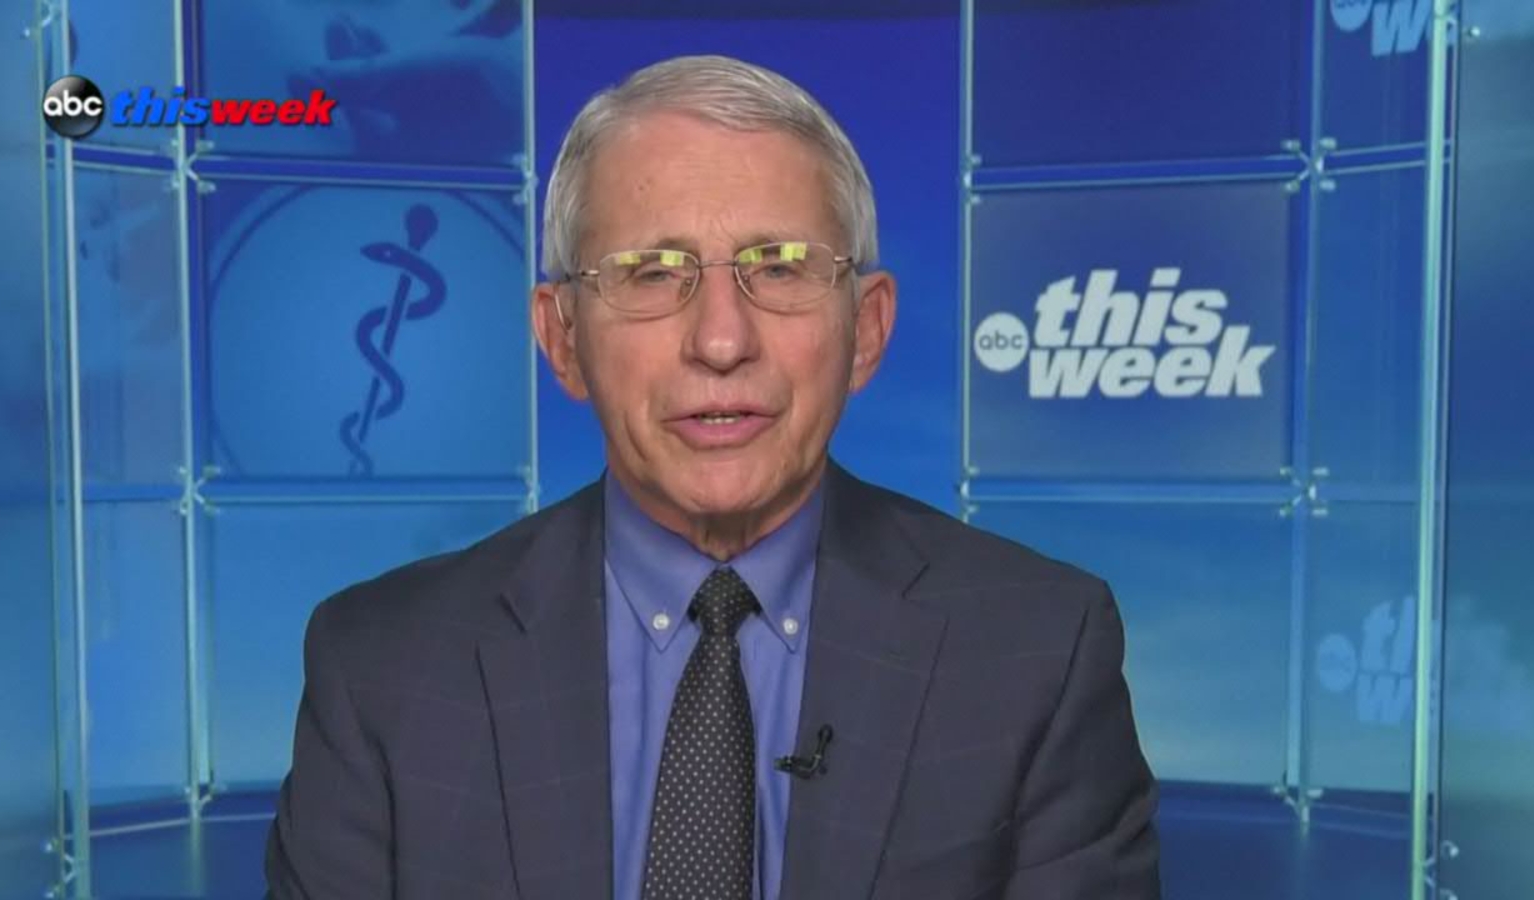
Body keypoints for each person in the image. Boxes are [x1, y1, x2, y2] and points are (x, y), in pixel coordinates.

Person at [265, 54, 1160, 899]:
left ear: (868, 329)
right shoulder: (381, 670)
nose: (722, 341)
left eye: (782, 268)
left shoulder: (1041, 654)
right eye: (652, 274)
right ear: (563, 339)